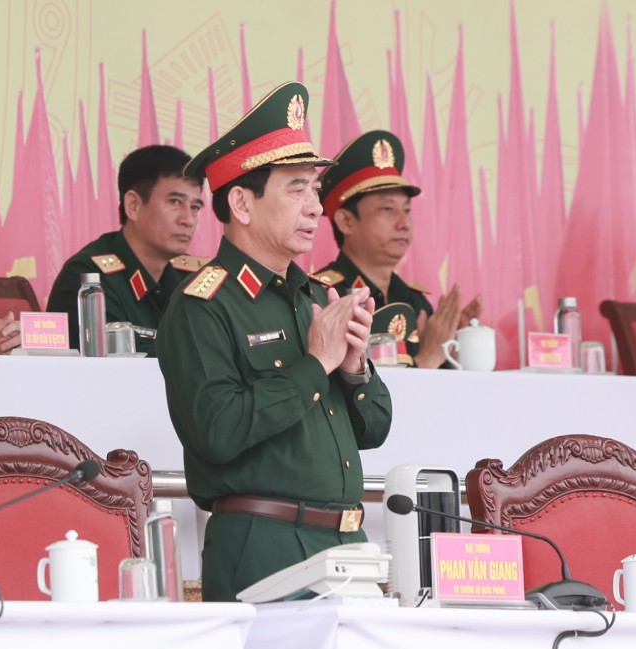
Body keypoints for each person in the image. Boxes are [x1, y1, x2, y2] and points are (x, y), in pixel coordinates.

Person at [156, 82, 393, 602]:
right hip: (265, 546)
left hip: (347, 545)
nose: (316, 208)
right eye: (296, 189)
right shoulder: (203, 304)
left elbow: (374, 428)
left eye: (315, 189)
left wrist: (354, 368)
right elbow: (217, 430)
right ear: (241, 202)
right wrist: (317, 362)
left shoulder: (314, 296)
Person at [315, 130, 481, 368]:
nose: (403, 224)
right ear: (346, 222)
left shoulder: (415, 302)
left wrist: (454, 345)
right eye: (388, 210)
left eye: (407, 210)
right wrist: (427, 359)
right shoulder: (324, 296)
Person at [46, 145, 206, 357]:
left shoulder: (193, 277)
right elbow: (113, 368)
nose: (188, 220)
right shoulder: (89, 279)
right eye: (175, 202)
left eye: (195, 207)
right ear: (133, 206)